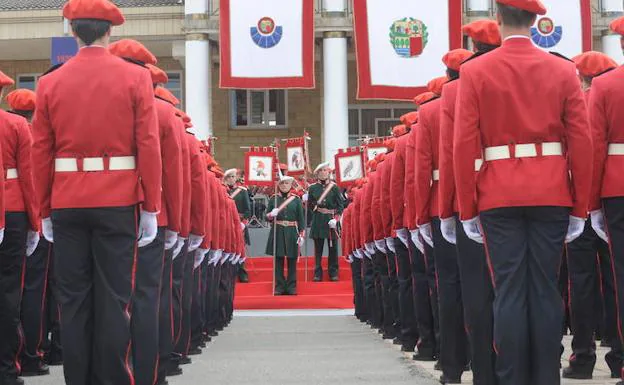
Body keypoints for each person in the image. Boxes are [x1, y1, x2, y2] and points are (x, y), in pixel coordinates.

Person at [453, 1, 592, 384]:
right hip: (551, 192)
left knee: (510, 290)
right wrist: (580, 206)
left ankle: (513, 377)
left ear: (498, 20)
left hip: (498, 193)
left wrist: (467, 208)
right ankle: (547, 376)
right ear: (537, 21)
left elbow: (463, 146)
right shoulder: (564, 70)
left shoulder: (475, 71)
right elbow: (582, 142)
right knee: (546, 289)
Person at [31, 2, 163, 385]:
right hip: (117, 201)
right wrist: (151, 205)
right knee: (113, 299)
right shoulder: (135, 78)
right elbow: (148, 144)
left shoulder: (50, 82)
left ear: (73, 33)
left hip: (68, 202)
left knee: (72, 301)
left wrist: (44, 210)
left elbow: (41, 151)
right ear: (110, 33)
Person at [109, 39, 184, 385]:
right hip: (154, 216)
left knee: (108, 298)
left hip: (106, 208)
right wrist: (179, 224)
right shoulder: (166, 114)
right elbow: (175, 176)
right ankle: (149, 375)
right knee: (147, 299)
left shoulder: (104, 102)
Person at [438, 25, 500, 385]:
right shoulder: (520, 77)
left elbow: (451, 157)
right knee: (521, 289)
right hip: (528, 194)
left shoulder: (453, 92)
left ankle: (474, 370)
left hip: (472, 199)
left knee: (468, 289)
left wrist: (451, 209)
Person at [562, 50, 621, 380]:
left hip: (583, 201)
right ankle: (618, 354)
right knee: (616, 280)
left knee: (581, 282)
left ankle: (582, 356)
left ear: (581, 77)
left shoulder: (576, 103)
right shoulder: (612, 91)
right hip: (608, 194)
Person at [588, 15, 624, 385]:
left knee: (621, 277)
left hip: (618, 186)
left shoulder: (605, 86)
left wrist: (592, 201)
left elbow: (595, 147)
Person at [6, 88, 49, 379]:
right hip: (14, 211)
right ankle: (14, 363)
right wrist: (36, 222)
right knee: (16, 292)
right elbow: (30, 178)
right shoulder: (19, 127)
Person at [266, 176, 305, 295]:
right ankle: (279, 286)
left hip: (292, 231)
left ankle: (292, 286)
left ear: (290, 185)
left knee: (292, 260)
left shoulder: (296, 200)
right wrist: (271, 215)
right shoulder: (273, 199)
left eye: (286, 183)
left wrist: (302, 235)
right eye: (282, 183)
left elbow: (301, 219)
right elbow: (266, 217)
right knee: (278, 260)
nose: (284, 185)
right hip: (278, 230)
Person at [308, 162, 344, 281]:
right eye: (321, 171)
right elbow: (310, 205)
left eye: (325, 170)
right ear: (317, 174)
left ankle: (333, 272)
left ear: (328, 172)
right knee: (318, 248)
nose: (323, 172)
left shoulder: (334, 187)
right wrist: (308, 202)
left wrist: (336, 219)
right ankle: (317, 273)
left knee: (332, 248)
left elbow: (340, 206)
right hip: (318, 219)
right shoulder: (312, 188)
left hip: (331, 219)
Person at [223, 168, 251, 283]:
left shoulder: (242, 191)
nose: (231, 179)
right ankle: (229, 274)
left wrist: (243, 223)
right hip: (225, 223)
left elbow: (248, 210)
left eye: (233, 177)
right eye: (229, 177)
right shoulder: (222, 190)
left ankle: (242, 273)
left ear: (236, 178)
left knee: (240, 248)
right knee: (227, 248)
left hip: (239, 223)